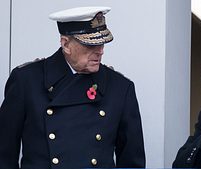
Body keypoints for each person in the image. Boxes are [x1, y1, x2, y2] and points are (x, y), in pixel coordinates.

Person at [0, 6, 145, 168]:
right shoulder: (26, 81)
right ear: (66, 44)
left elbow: (132, 162)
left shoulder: (120, 88)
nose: (100, 51)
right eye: (91, 45)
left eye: (102, 44)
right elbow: (4, 154)